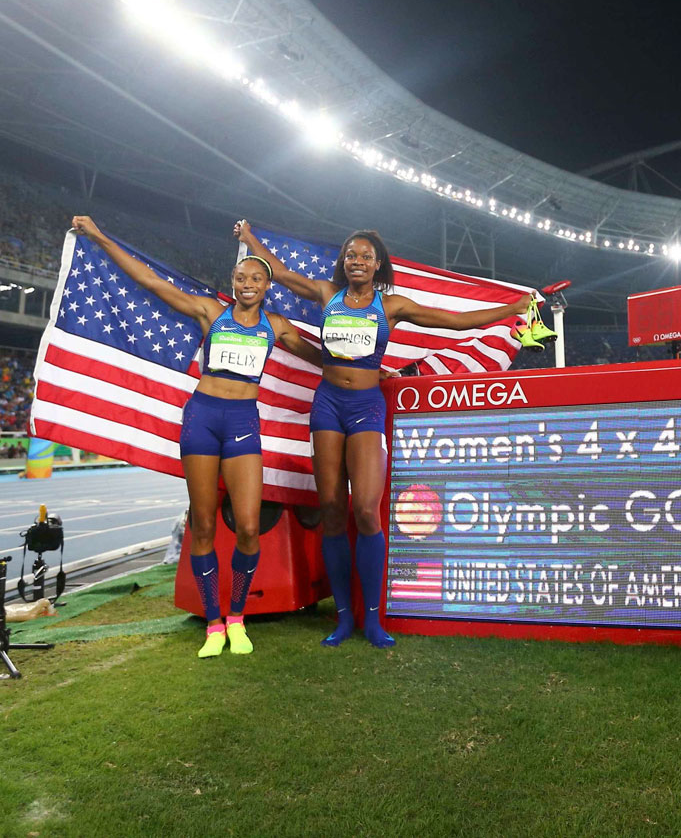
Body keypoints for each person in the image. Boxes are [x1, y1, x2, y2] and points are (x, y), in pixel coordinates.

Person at [236, 221, 534, 647]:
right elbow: (280, 274)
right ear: (344, 262)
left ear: (378, 264)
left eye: (365, 256)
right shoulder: (327, 294)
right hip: (327, 407)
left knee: (367, 511)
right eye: (351, 255)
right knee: (333, 509)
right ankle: (342, 619)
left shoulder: (391, 305)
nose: (357, 261)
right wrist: (249, 239)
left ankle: (373, 620)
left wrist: (512, 308)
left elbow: (454, 320)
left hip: (366, 408)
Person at [71, 215, 320, 658]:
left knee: (247, 527)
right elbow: (148, 280)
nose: (247, 283)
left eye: (256, 278)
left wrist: (370, 369)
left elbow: (324, 358)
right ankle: (213, 623)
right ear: (234, 281)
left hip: (243, 422)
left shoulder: (277, 326)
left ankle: (238, 617)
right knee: (202, 523)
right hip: (202, 418)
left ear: (266, 286)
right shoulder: (211, 312)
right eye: (240, 277)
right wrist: (99, 236)